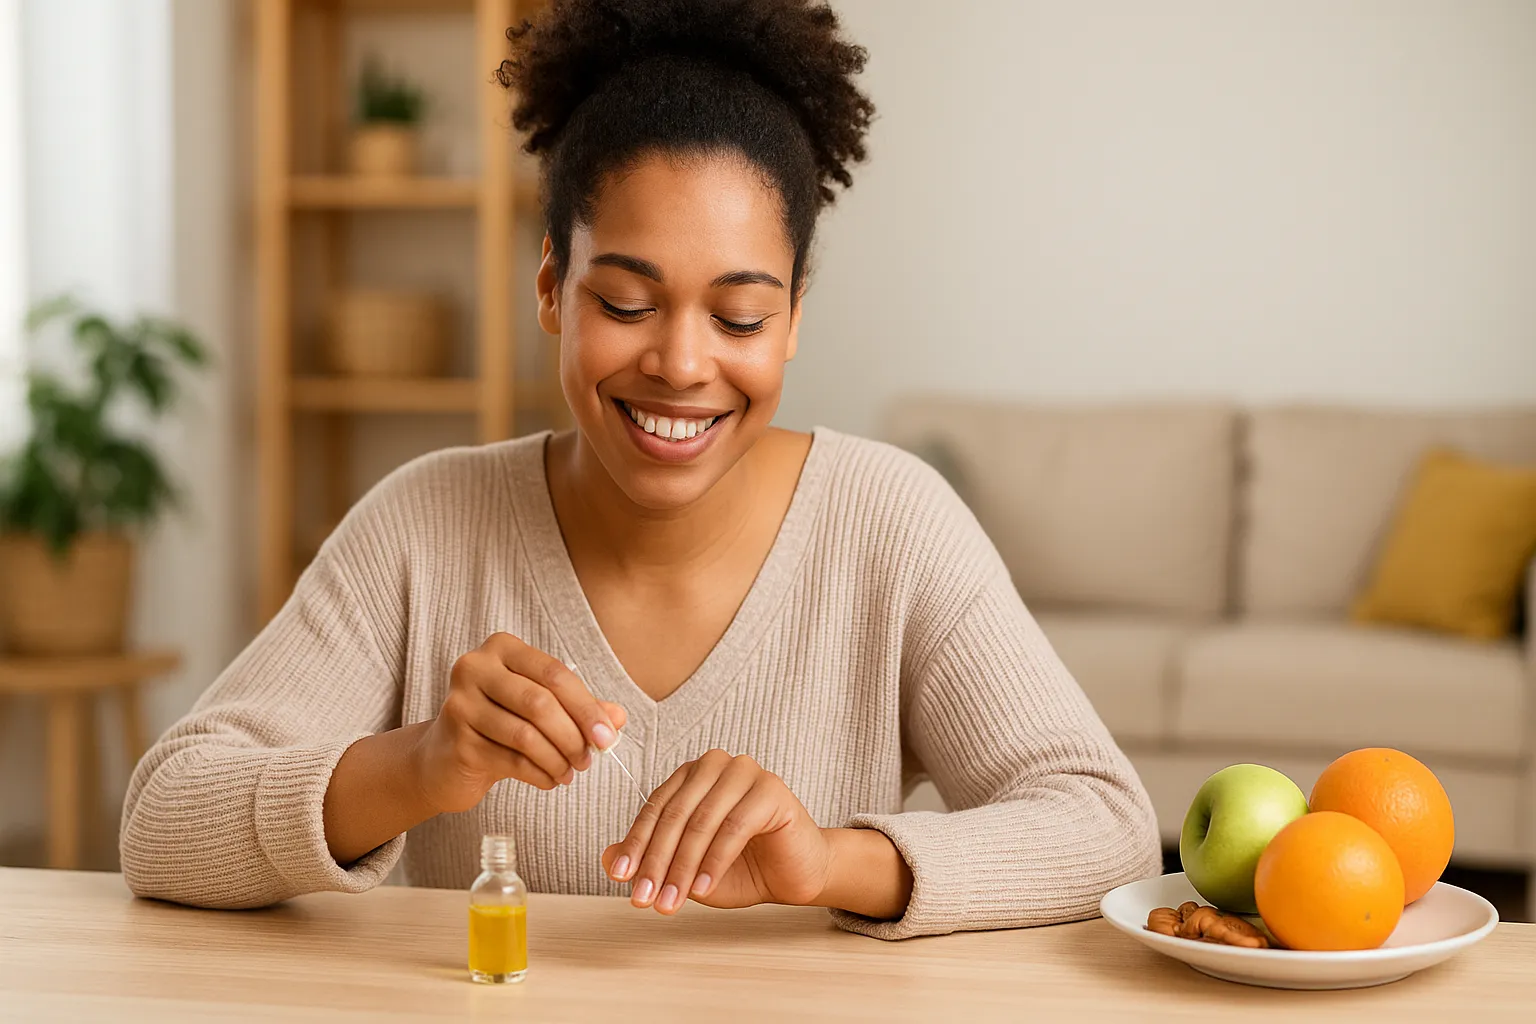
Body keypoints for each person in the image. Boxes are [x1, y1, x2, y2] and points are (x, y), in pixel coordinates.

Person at [121, 0, 1160, 940]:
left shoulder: (890, 523)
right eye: (625, 302)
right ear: (550, 286)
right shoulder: (426, 522)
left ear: (794, 317)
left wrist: (833, 859)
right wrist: (421, 765)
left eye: (741, 315)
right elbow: (164, 819)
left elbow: (1105, 825)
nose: (680, 363)